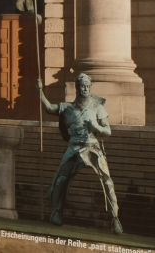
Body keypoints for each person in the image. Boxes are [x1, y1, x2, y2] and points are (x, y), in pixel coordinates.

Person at [36, 73, 123, 234]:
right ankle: (56, 212)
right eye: (82, 86)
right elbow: (49, 108)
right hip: (74, 147)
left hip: (93, 146)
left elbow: (108, 131)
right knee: (60, 180)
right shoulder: (67, 108)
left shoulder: (98, 106)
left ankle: (115, 218)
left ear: (90, 87)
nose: (85, 89)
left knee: (107, 182)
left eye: (87, 86)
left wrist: (96, 127)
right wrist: (40, 92)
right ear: (77, 87)